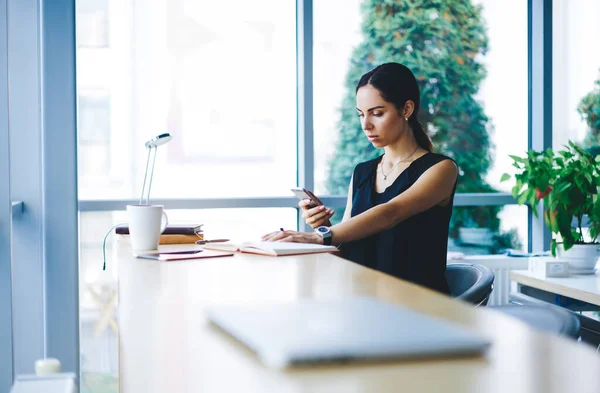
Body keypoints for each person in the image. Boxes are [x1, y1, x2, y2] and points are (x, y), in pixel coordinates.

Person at [262, 62, 458, 295]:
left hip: (417, 307)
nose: (366, 125)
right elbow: (347, 251)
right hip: (363, 301)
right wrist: (324, 226)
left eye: (377, 113)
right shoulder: (362, 172)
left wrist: (319, 236)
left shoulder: (441, 168)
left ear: (406, 109)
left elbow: (390, 213)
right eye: (361, 115)